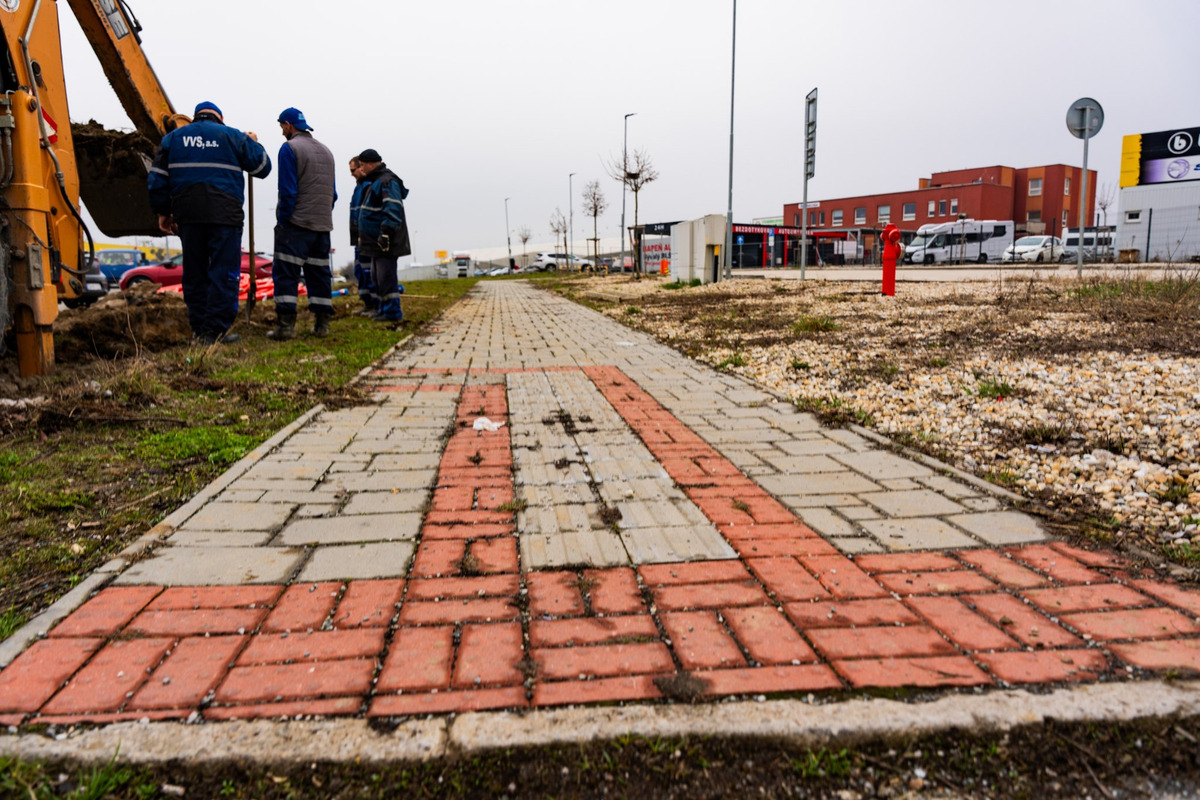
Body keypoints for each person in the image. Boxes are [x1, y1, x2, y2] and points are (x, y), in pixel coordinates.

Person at [148, 101, 271, 344]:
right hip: (225, 215)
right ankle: (215, 330)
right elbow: (262, 167)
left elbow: (158, 178)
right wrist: (254, 142)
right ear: (220, 118)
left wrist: (163, 211)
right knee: (224, 272)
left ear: (196, 117)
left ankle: (200, 328)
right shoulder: (233, 137)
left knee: (195, 272)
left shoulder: (173, 139)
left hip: (189, 214)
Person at [268, 107, 338, 339]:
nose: (281, 133)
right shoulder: (326, 151)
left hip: (296, 225)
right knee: (319, 275)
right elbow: (333, 194)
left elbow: (288, 191)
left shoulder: (289, 148)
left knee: (286, 274)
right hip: (322, 225)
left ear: (288, 125)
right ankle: (322, 325)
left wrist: (283, 222)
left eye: (282, 128)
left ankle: (286, 327)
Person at [354, 149, 411, 322]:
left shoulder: (387, 181)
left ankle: (392, 312)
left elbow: (392, 208)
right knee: (376, 277)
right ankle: (383, 309)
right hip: (375, 241)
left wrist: (386, 233)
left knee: (386, 277)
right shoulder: (376, 181)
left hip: (385, 240)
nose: (361, 169)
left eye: (362, 165)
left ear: (371, 164)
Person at [348, 156, 376, 314]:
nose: (351, 174)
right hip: (358, 237)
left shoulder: (367, 186)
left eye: (353, 170)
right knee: (360, 270)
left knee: (368, 270)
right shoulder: (358, 187)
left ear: (361, 168)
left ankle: (375, 303)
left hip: (365, 236)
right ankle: (367, 302)